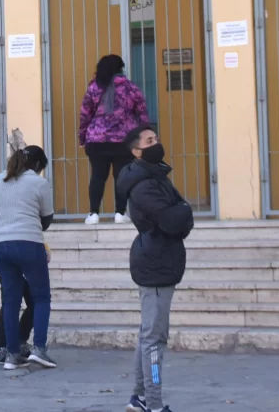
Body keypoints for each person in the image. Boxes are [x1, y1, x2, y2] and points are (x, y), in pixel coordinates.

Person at [117, 125, 193, 412]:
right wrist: (184, 209)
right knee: (154, 339)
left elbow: (177, 213)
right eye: (150, 141)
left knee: (148, 334)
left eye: (157, 139)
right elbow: (174, 219)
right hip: (156, 265)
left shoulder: (153, 176)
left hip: (159, 259)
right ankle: (155, 403)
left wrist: (181, 209)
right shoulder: (146, 184)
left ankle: (139, 397)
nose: (156, 143)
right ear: (136, 151)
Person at [0, 141, 57, 370]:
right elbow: (46, 220)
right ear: (36, 165)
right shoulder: (39, 183)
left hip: (1, 245)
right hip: (29, 244)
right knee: (42, 297)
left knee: (11, 301)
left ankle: (12, 355)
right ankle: (40, 349)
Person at [78, 54, 150, 225]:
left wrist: (82, 138)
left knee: (97, 176)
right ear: (120, 69)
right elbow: (142, 114)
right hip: (123, 141)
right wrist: (144, 136)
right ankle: (120, 213)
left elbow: (85, 116)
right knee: (121, 177)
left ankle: (93, 214)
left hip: (96, 141)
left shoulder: (94, 88)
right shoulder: (131, 88)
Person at [0, 231, 35, 364]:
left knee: (35, 302)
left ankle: (19, 341)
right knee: (9, 304)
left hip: (25, 253)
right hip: (7, 252)